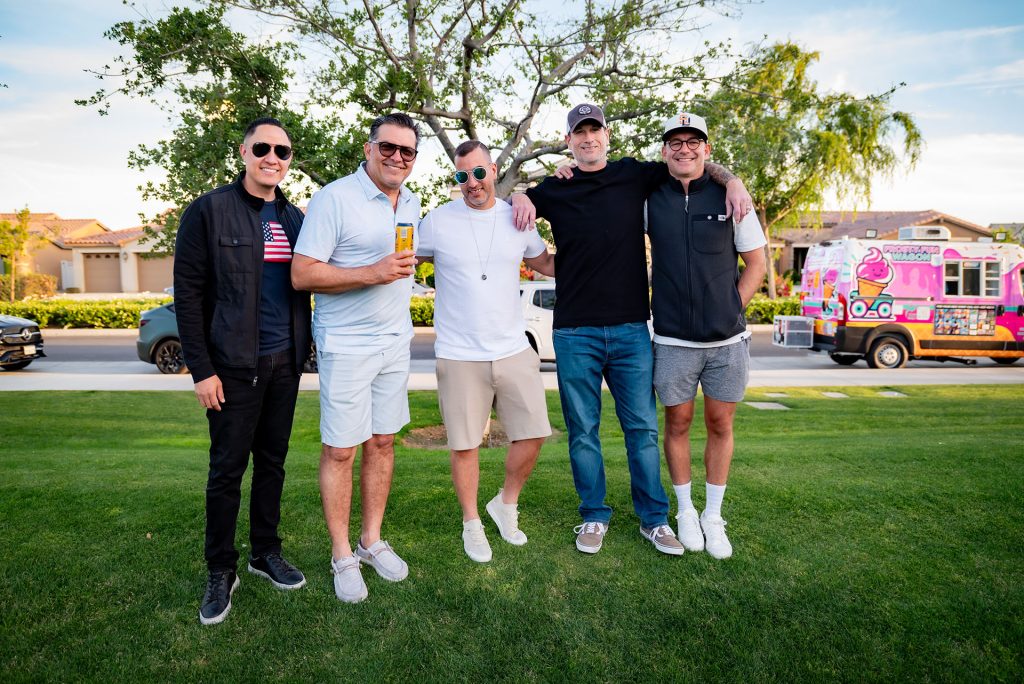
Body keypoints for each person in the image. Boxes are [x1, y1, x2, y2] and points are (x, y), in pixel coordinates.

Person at [510, 103, 752, 556]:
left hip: (630, 330)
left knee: (642, 429)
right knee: (583, 432)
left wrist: (733, 180)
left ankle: (654, 520)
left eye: (595, 131)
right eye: (579, 133)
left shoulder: (635, 175)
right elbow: (511, 210)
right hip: (574, 332)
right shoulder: (555, 189)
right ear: (569, 141)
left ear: (607, 136)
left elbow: (692, 163)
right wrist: (522, 193)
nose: (588, 139)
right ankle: (594, 515)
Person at [175, 117, 312, 625]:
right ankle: (220, 568)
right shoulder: (208, 211)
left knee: (273, 463)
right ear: (244, 152)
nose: (272, 157)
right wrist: (201, 370)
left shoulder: (296, 218)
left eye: (282, 151)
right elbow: (187, 296)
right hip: (232, 369)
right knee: (227, 470)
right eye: (263, 148)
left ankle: (265, 552)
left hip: (285, 363)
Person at [291, 112, 421, 603]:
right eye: (388, 147)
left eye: (407, 151)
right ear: (368, 149)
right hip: (346, 345)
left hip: (395, 342)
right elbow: (302, 273)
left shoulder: (412, 202)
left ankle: (371, 541)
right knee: (341, 450)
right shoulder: (334, 198)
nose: (397, 157)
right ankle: (342, 554)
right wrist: (373, 272)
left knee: (383, 442)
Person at [417, 140, 556, 563]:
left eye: (479, 173)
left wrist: (595, 248)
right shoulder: (437, 221)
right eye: (463, 176)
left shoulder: (518, 218)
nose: (472, 183)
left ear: (493, 170)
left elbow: (546, 265)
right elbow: (402, 259)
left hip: (513, 349)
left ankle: (505, 505)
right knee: (465, 445)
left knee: (534, 433)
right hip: (459, 353)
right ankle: (472, 523)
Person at [647, 111, 767, 559]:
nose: (685, 149)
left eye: (693, 141)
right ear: (665, 150)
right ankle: (684, 511)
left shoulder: (731, 196)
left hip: (727, 343)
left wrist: (732, 308)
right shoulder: (650, 197)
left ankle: (713, 516)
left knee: (720, 425)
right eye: (676, 142)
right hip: (673, 342)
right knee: (677, 424)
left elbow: (757, 263)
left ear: (706, 148)